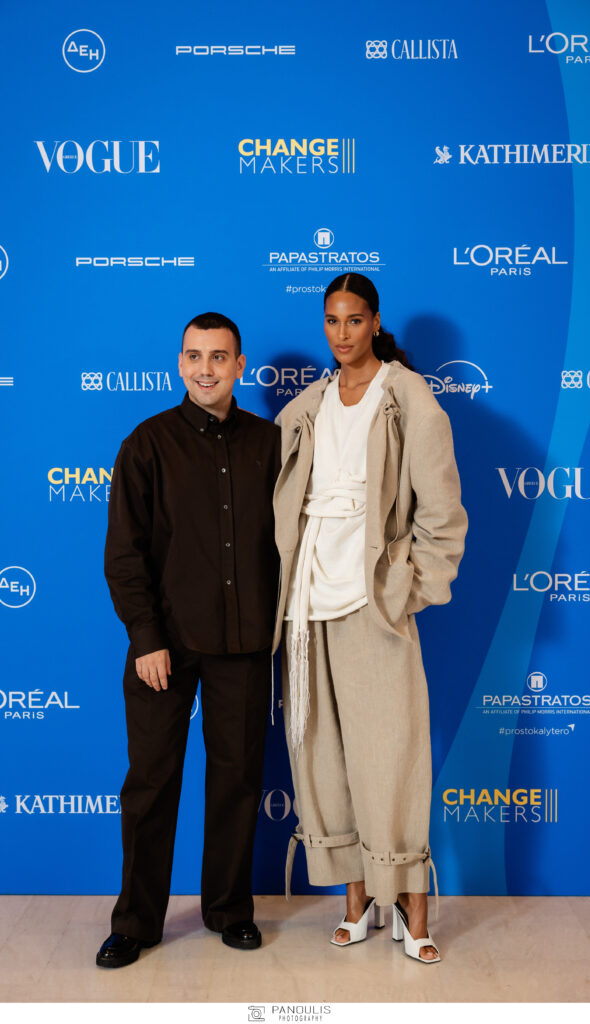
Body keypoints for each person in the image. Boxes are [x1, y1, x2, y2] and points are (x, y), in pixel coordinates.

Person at [274, 273, 467, 963]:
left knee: (391, 754)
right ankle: (356, 900)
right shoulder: (306, 406)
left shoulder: (408, 397)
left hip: (372, 599)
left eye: (354, 320)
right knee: (324, 757)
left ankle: (412, 907)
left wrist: (408, 590)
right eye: (331, 320)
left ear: (376, 322)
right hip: (307, 604)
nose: (342, 333)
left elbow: (441, 510)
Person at [97, 312, 280, 968]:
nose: (207, 369)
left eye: (219, 356)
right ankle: (136, 922)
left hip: (244, 642)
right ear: (180, 364)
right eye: (195, 356)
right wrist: (146, 638)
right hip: (165, 647)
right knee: (151, 782)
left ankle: (229, 910)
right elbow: (125, 552)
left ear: (239, 365)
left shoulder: (270, 444)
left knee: (237, 781)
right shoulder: (147, 444)